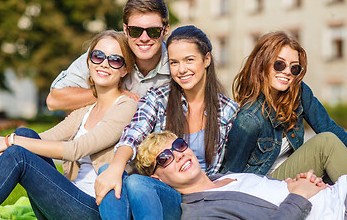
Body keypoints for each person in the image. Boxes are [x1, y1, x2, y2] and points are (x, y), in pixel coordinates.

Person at [0, 30, 137, 219]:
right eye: (98, 56)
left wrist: (10, 142)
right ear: (89, 61)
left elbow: (76, 149)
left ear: (125, 69)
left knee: (19, 153)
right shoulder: (87, 110)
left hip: (93, 209)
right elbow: (40, 140)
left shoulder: (126, 106)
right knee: (26, 134)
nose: (104, 64)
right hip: (66, 199)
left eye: (115, 60)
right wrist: (1, 152)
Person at [94, 25, 239, 219]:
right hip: (161, 192)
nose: (181, 70)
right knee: (110, 170)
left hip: (201, 200)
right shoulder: (158, 98)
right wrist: (116, 166)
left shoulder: (228, 110)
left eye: (189, 60)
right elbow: (134, 133)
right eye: (174, 62)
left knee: (136, 182)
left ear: (206, 59)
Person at [221, 31, 347, 182]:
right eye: (279, 64)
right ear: (262, 64)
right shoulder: (249, 119)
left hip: (292, 176)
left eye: (294, 68)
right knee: (325, 143)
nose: (287, 72)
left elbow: (330, 128)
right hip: (264, 186)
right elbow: (230, 176)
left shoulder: (298, 92)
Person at [136, 131, 347, 220]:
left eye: (178, 145)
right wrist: (299, 196)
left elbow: (271, 194)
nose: (179, 155)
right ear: (158, 178)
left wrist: (297, 184)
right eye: (164, 158)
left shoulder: (222, 177)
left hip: (335, 193)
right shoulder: (200, 213)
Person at [46, 0, 171, 111]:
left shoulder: (177, 61)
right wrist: (114, 94)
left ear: (165, 30)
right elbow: (54, 101)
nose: (144, 38)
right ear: (125, 29)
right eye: (135, 31)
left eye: (153, 31)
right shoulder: (106, 52)